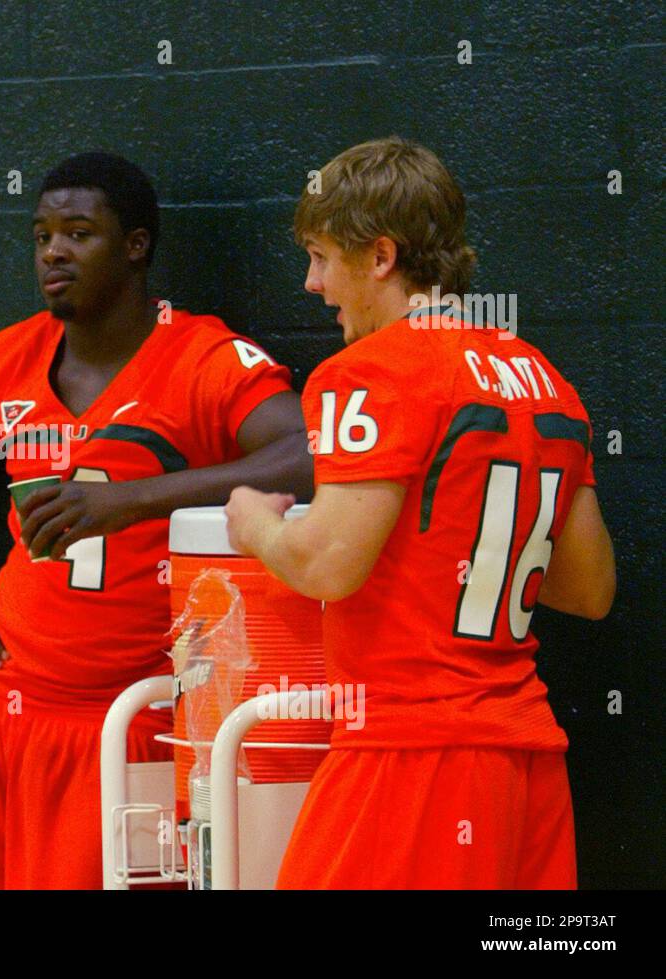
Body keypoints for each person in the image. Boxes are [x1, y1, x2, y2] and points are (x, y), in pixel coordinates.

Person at [0, 152, 313, 888]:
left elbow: (309, 453)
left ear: (135, 246)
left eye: (78, 232)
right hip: (6, 707)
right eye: (42, 235)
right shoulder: (0, 365)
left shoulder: (201, 358)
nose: (53, 250)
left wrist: (135, 497)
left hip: (132, 717)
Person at [223, 136, 616, 888]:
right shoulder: (544, 378)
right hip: (525, 762)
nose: (311, 283)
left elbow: (327, 564)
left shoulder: (369, 371)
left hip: (409, 757)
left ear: (380, 257)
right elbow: (587, 587)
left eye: (321, 256)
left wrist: (254, 522)